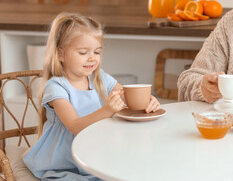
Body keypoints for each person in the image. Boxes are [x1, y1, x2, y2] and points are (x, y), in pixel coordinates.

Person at [23, 12, 161, 180]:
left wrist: (147, 101)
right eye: (83, 52)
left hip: (92, 151)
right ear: (60, 54)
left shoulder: (98, 77)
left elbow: (127, 95)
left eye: (97, 52)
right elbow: (75, 126)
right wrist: (108, 110)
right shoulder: (56, 87)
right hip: (62, 161)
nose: (92, 59)